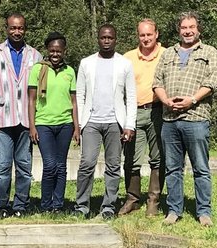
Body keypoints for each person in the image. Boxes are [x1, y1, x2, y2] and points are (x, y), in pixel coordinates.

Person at [152, 11, 217, 226]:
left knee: (200, 168)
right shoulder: (168, 53)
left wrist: (192, 99)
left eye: (191, 27)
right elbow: (157, 82)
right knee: (173, 168)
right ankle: (174, 210)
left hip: (196, 118)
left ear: (198, 29)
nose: (188, 31)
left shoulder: (209, 52)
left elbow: (214, 81)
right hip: (169, 120)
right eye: (184, 28)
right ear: (178, 30)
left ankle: (204, 213)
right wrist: (166, 101)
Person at [73, 24, 137, 220]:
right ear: (98, 39)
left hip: (114, 123)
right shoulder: (86, 63)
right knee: (87, 163)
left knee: (113, 166)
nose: (106, 41)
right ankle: (82, 205)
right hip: (91, 121)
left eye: (110, 37)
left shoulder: (124, 64)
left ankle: (108, 206)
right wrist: (80, 124)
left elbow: (131, 96)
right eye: (103, 38)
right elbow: (80, 95)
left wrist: (129, 124)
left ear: (115, 39)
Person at [0, 13, 42, 219]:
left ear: (25, 29)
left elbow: (41, 90)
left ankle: (21, 205)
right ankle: (1, 205)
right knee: (2, 167)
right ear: (6, 28)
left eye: (21, 28)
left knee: (24, 167)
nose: (17, 32)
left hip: (26, 120)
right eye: (13, 28)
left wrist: (38, 120)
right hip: (2, 118)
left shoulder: (36, 56)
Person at [27, 32, 80, 213]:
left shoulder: (70, 71)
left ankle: (58, 205)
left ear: (64, 51)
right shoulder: (37, 70)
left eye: (59, 51)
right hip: (44, 124)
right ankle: (45, 205)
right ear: (47, 51)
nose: (55, 54)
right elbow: (32, 100)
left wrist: (76, 127)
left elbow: (73, 101)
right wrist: (32, 126)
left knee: (61, 166)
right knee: (50, 165)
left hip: (65, 124)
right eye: (52, 50)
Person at [119, 19, 166, 217]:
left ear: (156, 34)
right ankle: (132, 199)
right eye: (142, 35)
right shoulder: (128, 57)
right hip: (134, 112)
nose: (146, 38)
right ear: (138, 36)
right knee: (131, 159)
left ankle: (153, 200)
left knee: (158, 158)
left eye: (149, 34)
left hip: (158, 111)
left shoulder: (167, 54)